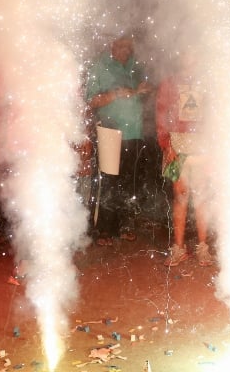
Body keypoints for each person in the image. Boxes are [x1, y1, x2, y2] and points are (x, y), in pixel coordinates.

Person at [85, 34, 153, 245]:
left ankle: (124, 224)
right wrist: (114, 95)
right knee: (108, 181)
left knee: (128, 182)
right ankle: (103, 229)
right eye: (121, 45)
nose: (126, 50)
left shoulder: (135, 66)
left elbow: (143, 95)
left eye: (129, 46)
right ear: (112, 44)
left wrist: (143, 90)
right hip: (109, 131)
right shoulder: (99, 66)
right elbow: (90, 100)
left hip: (134, 132)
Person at [155, 52, 212, 267]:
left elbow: (213, 115)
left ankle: (202, 247)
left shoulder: (206, 83)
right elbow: (161, 114)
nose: (190, 57)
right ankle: (179, 248)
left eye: (193, 52)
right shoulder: (169, 83)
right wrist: (166, 144)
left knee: (201, 195)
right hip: (176, 144)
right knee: (180, 195)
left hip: (201, 144)